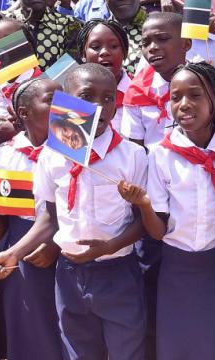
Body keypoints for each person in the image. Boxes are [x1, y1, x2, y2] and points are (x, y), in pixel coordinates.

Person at [120, 62, 215, 360]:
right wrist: (144, 205)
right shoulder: (161, 156)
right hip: (177, 268)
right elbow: (158, 231)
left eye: (195, 95)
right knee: (177, 344)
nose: (184, 104)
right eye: (175, 97)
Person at [40, 63, 148, 359]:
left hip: (117, 272)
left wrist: (110, 246)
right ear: (67, 98)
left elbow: (144, 222)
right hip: (69, 272)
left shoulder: (132, 156)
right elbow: (50, 214)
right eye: (87, 96)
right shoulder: (52, 155)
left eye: (108, 98)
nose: (99, 106)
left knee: (126, 349)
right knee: (77, 349)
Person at [0, 76, 65, 360]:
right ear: (24, 113)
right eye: (52, 100)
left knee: (65, 328)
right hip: (21, 251)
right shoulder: (3, 156)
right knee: (29, 328)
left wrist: (55, 244)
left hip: (66, 245)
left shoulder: (74, 151)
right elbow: (0, 217)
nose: (62, 107)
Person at [118, 12, 189, 147]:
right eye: (145, 43)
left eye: (162, 38)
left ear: (186, 44)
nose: (152, 48)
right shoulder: (136, 92)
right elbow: (136, 150)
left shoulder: (206, 83)